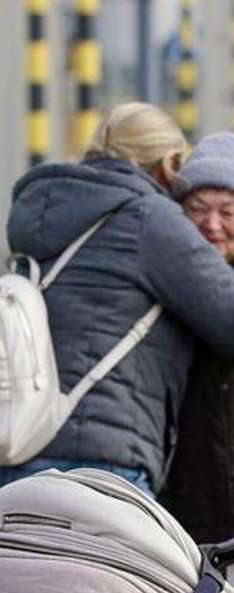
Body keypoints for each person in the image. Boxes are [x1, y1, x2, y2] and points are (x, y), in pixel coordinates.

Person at [0, 103, 234, 499]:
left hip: (18, 446)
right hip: (105, 461)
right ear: (169, 164)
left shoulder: (42, 213)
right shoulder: (149, 218)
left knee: (21, 562)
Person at [159, 132, 234, 544]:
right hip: (185, 510)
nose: (213, 224)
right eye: (198, 210)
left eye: (227, 211)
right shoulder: (163, 287)